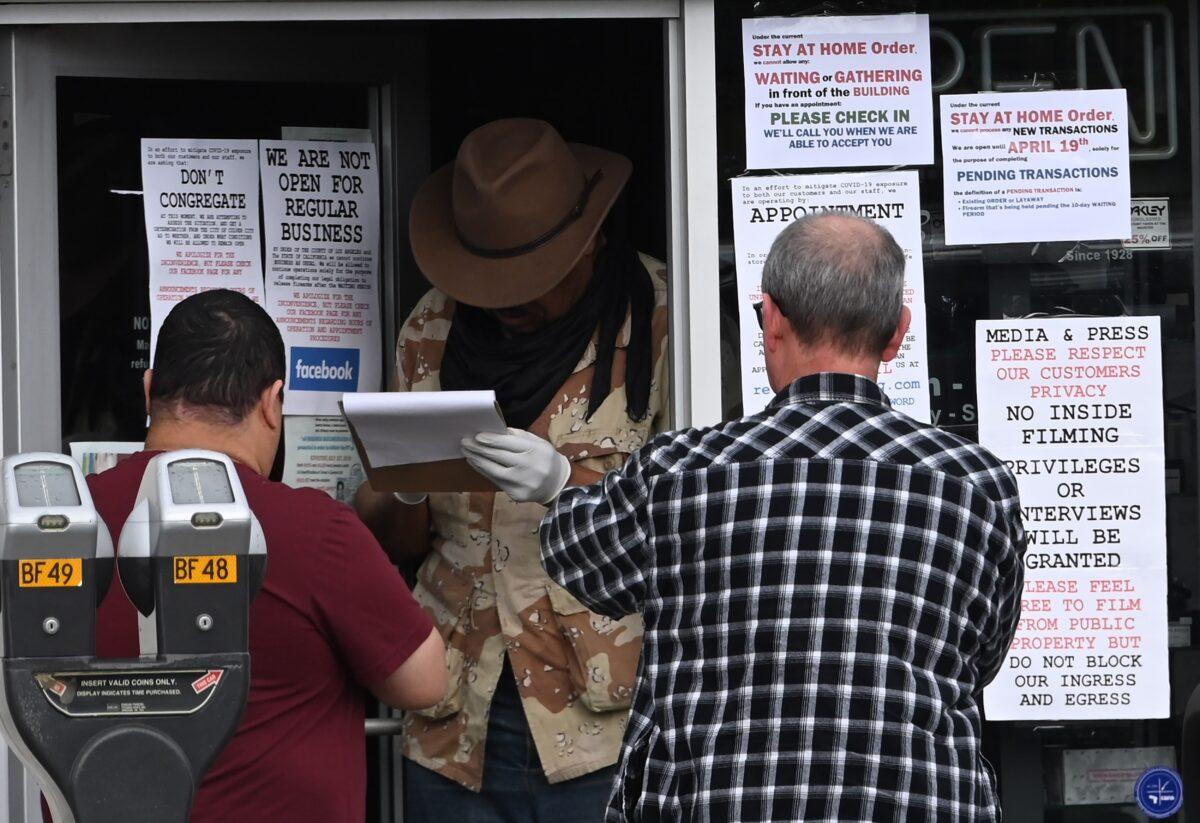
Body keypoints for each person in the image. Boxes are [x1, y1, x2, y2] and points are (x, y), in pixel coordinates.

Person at [480, 213, 1025, 821]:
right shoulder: (976, 486)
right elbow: (982, 657)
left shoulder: (681, 473)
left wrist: (558, 481)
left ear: (769, 319)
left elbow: (585, 563)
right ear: (898, 333)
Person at [354, 118, 670, 820]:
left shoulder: (656, 319)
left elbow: (698, 522)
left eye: (533, 279)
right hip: (456, 716)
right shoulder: (432, 329)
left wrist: (570, 487)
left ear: (587, 242)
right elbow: (393, 543)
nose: (511, 302)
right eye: (491, 280)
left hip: (599, 720)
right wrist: (405, 482)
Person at [88, 289, 446, 823]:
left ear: (148, 392)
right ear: (273, 402)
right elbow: (423, 681)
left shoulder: (65, 524)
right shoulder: (313, 530)